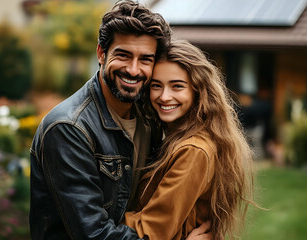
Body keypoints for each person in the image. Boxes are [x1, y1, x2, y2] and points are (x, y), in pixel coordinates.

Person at [29, 1, 211, 239]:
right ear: (101, 54)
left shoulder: (149, 116)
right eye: (123, 55)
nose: (134, 70)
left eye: (145, 59)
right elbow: (93, 234)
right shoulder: (69, 129)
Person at [123, 40, 255, 240]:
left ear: (197, 90)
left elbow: (149, 232)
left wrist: (91, 220)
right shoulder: (176, 136)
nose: (164, 96)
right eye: (156, 85)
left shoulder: (194, 150)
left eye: (177, 86)